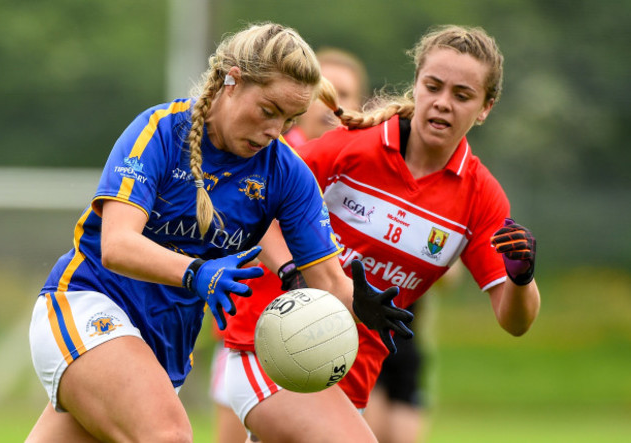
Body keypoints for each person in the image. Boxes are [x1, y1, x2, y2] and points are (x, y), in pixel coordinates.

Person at [26, 22, 412, 442]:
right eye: (268, 111)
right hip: (87, 305)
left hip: (164, 347)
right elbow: (116, 245)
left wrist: (360, 304)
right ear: (232, 79)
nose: (274, 131)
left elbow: (328, 281)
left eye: (288, 119)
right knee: (168, 435)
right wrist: (197, 272)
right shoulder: (159, 131)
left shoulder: (287, 173)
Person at [223, 24, 541, 443]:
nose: (443, 104)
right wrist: (293, 273)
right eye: (433, 86)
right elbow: (253, 205)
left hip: (350, 376)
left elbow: (515, 321)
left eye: (462, 96)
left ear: (486, 107)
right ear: (417, 86)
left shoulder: (481, 197)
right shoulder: (350, 149)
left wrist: (522, 278)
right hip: (270, 344)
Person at [208, 46, 370, 443]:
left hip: (330, 333)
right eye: (324, 95)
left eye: (344, 95)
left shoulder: (359, 167)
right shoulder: (271, 153)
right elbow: (251, 217)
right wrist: (290, 270)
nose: (331, 107)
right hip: (257, 329)